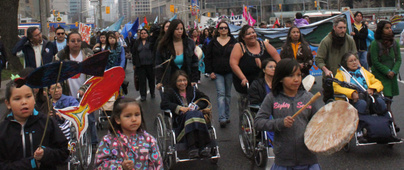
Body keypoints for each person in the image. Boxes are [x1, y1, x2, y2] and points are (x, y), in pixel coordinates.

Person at [254, 58, 322, 170]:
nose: (296, 79)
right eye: (291, 76)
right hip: (284, 160)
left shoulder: (308, 97)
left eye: (299, 75)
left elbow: (318, 122)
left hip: (309, 158)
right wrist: (280, 123)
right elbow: (258, 123)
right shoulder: (272, 98)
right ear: (280, 78)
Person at [0, 81, 69, 169]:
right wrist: (30, 163)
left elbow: (64, 152)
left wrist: (46, 153)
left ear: (34, 98)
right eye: (17, 98)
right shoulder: (3, 130)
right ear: (8, 104)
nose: (24, 102)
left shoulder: (47, 122)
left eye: (28, 96)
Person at [55, 32, 99, 147]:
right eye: (72, 41)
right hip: (67, 94)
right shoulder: (60, 57)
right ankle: (67, 145)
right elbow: (56, 75)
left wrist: (84, 88)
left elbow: (93, 75)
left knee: (89, 119)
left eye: (78, 41)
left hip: (85, 94)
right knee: (68, 122)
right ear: (68, 43)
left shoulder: (88, 55)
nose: (76, 43)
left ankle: (93, 143)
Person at [229, 25, 281, 121]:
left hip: (264, 83)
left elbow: (277, 57)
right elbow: (233, 64)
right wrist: (243, 78)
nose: (252, 35)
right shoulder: (239, 46)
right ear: (243, 37)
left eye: (253, 32)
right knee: (246, 108)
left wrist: (278, 71)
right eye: (248, 34)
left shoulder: (264, 44)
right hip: (246, 83)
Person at [95, 97, 163, 169]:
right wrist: (121, 166)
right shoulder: (108, 141)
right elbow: (99, 165)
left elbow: (157, 165)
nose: (134, 119)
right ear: (118, 119)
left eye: (137, 115)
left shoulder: (149, 140)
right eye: (128, 116)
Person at [160, 70, 212, 158]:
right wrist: (179, 108)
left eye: (184, 80)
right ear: (175, 82)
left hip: (195, 117)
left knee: (195, 114)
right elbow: (164, 104)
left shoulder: (192, 90)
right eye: (179, 81)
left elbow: (205, 99)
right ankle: (198, 147)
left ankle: (197, 148)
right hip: (180, 120)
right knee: (192, 115)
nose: (182, 83)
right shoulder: (170, 92)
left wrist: (196, 106)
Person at [315, 17, 357, 103]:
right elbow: (319, 59)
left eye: (344, 28)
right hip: (331, 78)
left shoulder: (349, 40)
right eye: (340, 28)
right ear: (334, 28)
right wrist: (326, 70)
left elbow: (355, 57)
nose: (343, 30)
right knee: (330, 106)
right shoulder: (326, 41)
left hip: (347, 78)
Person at [205, 21, 237, 128]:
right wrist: (210, 72)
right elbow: (208, 57)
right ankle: (222, 117)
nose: (223, 29)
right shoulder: (213, 43)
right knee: (221, 94)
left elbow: (238, 56)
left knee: (228, 95)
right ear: (218, 30)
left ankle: (227, 116)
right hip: (217, 72)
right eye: (221, 28)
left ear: (228, 30)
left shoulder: (234, 42)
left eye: (225, 28)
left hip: (230, 72)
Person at [370, 21, 401, 124]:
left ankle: (386, 123)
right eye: (387, 28)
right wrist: (386, 71)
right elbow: (375, 62)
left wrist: (394, 71)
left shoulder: (394, 43)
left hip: (391, 76)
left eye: (390, 27)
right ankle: (392, 124)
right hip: (380, 75)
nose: (389, 30)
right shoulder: (375, 44)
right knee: (385, 101)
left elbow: (398, 60)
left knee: (389, 100)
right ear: (381, 30)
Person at [155, 19, 199, 91]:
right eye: (177, 29)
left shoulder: (189, 43)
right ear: (171, 30)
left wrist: (194, 79)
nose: (180, 31)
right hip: (169, 80)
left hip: (186, 80)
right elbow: (159, 64)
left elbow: (194, 62)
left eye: (181, 29)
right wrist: (159, 81)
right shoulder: (163, 45)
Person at [132, 29, 155, 101]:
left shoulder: (151, 42)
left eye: (145, 33)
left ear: (147, 34)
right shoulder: (137, 43)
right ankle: (143, 95)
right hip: (141, 65)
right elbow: (134, 54)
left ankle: (152, 92)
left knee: (151, 80)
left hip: (150, 65)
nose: (143, 34)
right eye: (142, 33)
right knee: (142, 81)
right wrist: (134, 64)